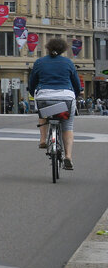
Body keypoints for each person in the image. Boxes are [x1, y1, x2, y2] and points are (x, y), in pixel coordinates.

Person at [29, 37, 82, 170]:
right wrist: (75, 94)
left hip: (45, 97)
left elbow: (32, 83)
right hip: (66, 98)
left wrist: (32, 92)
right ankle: (68, 156)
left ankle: (42, 139)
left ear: (48, 48)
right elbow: (76, 84)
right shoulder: (68, 62)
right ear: (63, 49)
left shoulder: (39, 62)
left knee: (43, 112)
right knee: (67, 126)